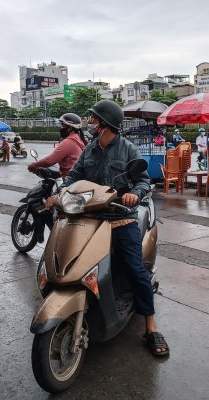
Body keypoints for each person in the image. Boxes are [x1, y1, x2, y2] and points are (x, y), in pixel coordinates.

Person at [45, 100, 169, 357]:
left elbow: (144, 181)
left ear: (105, 124)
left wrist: (133, 194)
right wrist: (60, 193)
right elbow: (73, 177)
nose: (89, 124)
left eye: (93, 120)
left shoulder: (128, 150)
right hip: (90, 216)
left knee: (135, 269)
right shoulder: (89, 149)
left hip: (119, 217)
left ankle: (151, 326)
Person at [27, 113, 87, 179]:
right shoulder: (78, 139)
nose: (61, 128)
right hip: (78, 177)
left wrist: (33, 166)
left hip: (71, 180)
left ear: (69, 128)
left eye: (62, 126)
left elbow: (49, 160)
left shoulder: (68, 142)